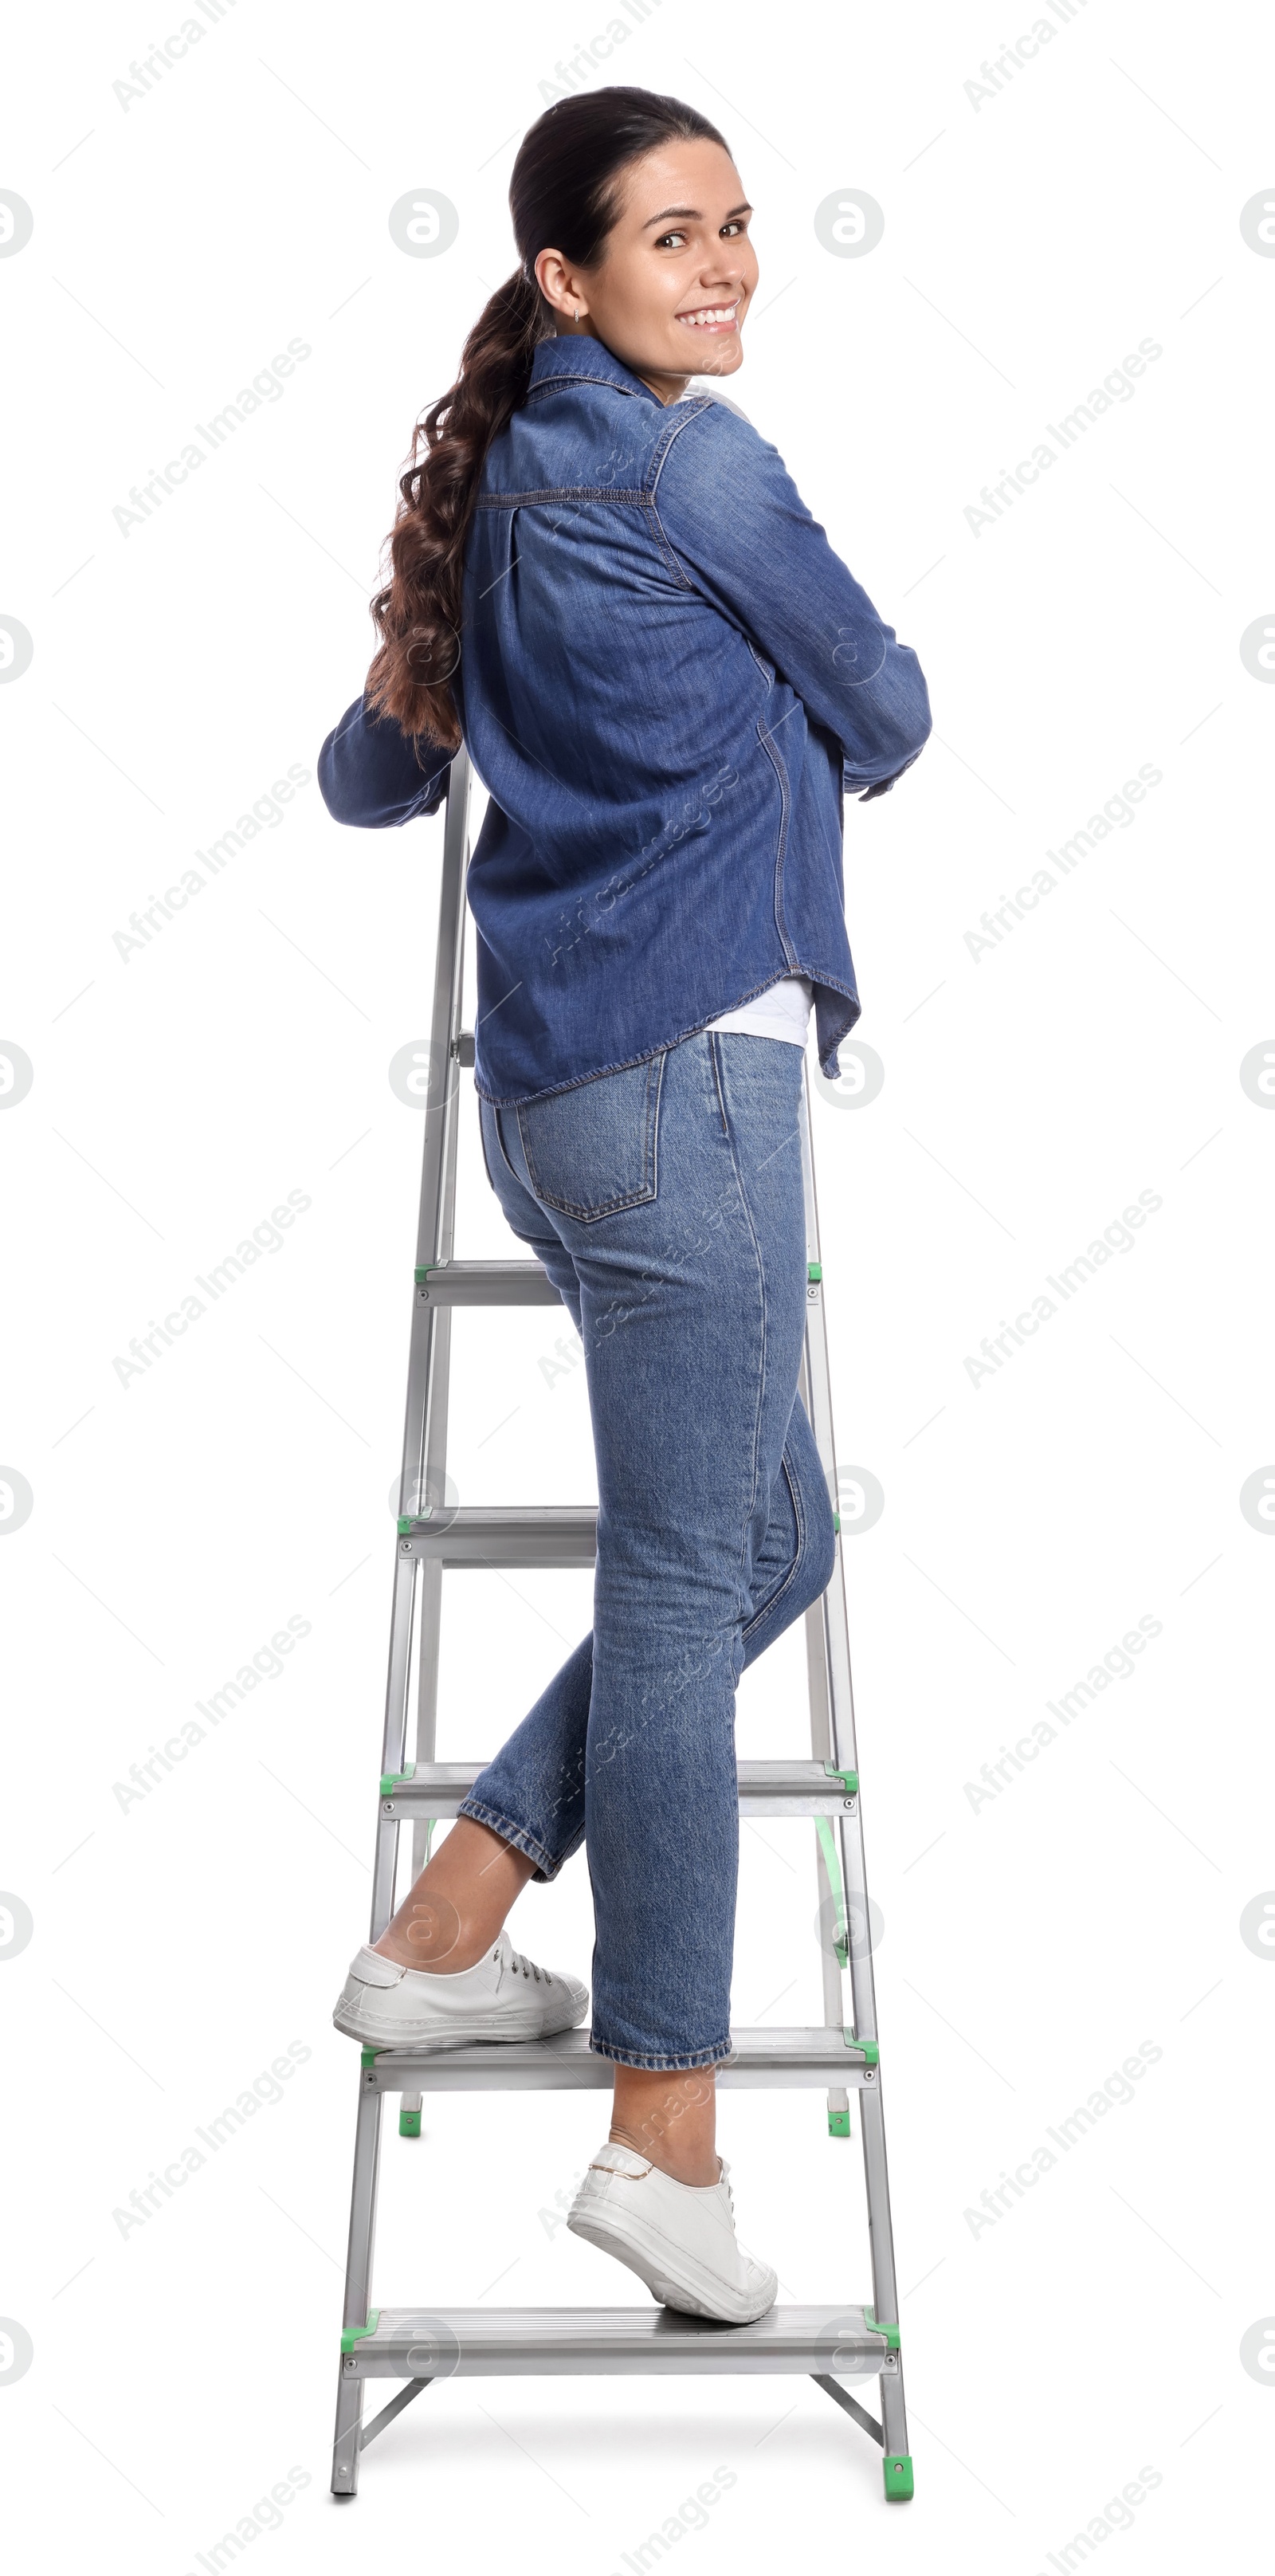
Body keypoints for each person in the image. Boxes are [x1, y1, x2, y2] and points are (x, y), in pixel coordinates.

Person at [319, 84, 930, 2327]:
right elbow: (896, 699)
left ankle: (455, 1911)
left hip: (558, 1101)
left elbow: (367, 774)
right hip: (698, 1079)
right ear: (567, 279)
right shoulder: (700, 466)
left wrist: (491, 665)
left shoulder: (498, 493)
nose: (728, 265)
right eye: (675, 238)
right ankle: (663, 2131)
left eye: (742, 227)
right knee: (690, 1589)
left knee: (773, 1541)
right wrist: (783, 700)